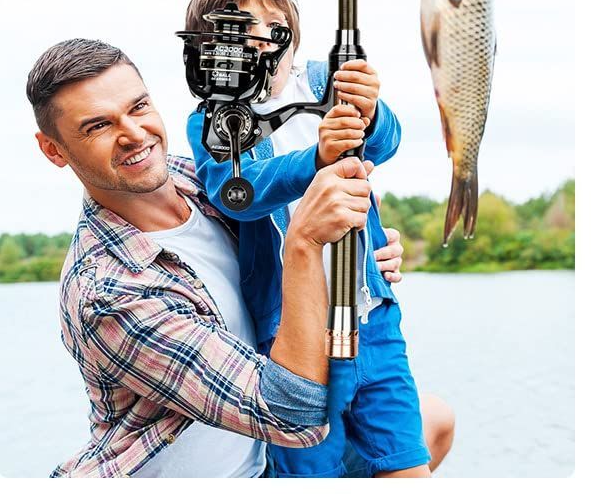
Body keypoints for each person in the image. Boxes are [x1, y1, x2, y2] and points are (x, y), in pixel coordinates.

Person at [27, 38, 453, 478]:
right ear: (54, 149)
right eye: (97, 126)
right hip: (245, 456)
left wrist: (355, 259)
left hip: (269, 456)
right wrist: (305, 244)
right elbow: (292, 416)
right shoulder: (107, 292)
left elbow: (296, 196)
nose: (133, 134)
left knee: (434, 421)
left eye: (139, 107)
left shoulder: (201, 179)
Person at [184, 0, 431, 477]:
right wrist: (315, 159)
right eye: (239, 31)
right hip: (291, 334)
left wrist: (370, 110)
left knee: (405, 461)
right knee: (312, 468)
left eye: (274, 25)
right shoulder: (212, 117)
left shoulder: (325, 79)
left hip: (372, 316)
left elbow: (386, 143)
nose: (261, 41)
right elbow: (239, 193)